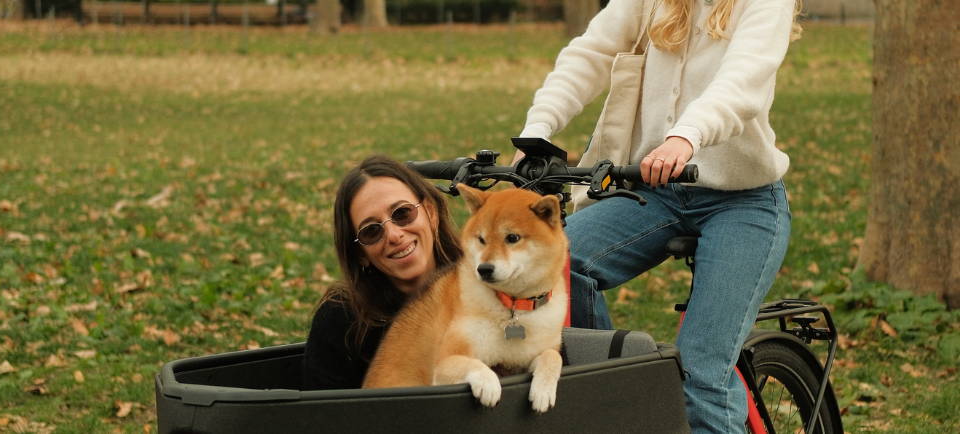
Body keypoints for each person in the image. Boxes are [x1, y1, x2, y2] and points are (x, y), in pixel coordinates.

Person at [516, 0, 800, 432]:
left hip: (743, 201)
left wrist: (685, 136)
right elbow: (591, 52)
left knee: (701, 375)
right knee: (560, 262)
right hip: (660, 194)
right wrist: (538, 128)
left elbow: (743, 80)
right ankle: (616, 398)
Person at [302, 155, 463, 390]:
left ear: (430, 213)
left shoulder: (488, 286)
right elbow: (320, 418)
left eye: (402, 213)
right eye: (371, 231)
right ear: (360, 253)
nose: (394, 235)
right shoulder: (341, 319)